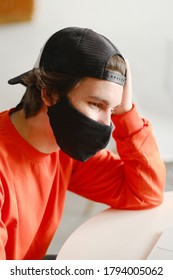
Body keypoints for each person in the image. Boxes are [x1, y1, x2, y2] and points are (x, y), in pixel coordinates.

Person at [0, 27, 166, 260]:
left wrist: (126, 113)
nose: (106, 123)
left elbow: (144, 193)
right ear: (50, 95)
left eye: (113, 109)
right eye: (96, 104)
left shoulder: (63, 147)